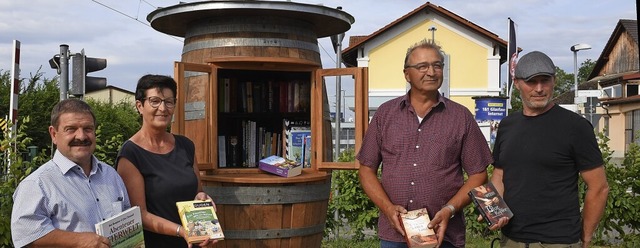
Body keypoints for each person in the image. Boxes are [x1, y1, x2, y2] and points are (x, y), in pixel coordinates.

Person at [357, 40, 493, 248]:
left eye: (437, 65)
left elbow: (478, 175)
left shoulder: (461, 117)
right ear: (406, 74)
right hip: (396, 234)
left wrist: (450, 209)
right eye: (422, 66)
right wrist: (388, 208)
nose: (431, 72)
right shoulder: (385, 115)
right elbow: (366, 169)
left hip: (444, 235)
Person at [490, 51, 609, 247]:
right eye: (531, 81)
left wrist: (586, 238)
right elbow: (499, 175)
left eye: (544, 80)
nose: (539, 88)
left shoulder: (575, 127)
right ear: (517, 82)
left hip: (557, 241)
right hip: (511, 239)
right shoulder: (507, 125)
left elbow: (599, 187)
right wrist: (494, 211)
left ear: (554, 80)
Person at [11, 98, 130, 248]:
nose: (81, 136)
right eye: (71, 129)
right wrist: (80, 240)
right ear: (54, 134)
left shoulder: (111, 175)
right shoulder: (37, 184)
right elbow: (26, 235)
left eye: (88, 129)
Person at [116, 74, 217, 248]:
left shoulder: (186, 145)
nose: (163, 108)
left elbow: (197, 192)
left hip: (194, 242)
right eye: (155, 101)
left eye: (169, 102)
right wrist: (181, 231)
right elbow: (139, 214)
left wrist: (202, 199)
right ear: (140, 106)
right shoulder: (130, 154)